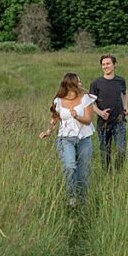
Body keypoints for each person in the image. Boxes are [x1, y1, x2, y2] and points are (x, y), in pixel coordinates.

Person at [39, 73, 96, 207]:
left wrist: (77, 116)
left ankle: (83, 201)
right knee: (70, 166)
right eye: (78, 82)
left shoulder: (85, 98)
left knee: (83, 173)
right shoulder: (58, 101)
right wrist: (48, 131)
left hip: (84, 139)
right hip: (65, 139)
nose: (80, 84)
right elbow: (55, 118)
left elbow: (88, 120)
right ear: (70, 84)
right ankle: (72, 197)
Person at [89, 54, 128, 173]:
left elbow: (125, 92)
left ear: (114, 65)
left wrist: (125, 106)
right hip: (103, 123)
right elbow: (91, 102)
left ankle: (118, 173)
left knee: (121, 150)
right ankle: (108, 175)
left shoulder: (120, 81)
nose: (106, 66)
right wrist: (100, 112)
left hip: (119, 121)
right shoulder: (96, 83)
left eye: (108, 63)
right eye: (103, 64)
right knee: (105, 152)